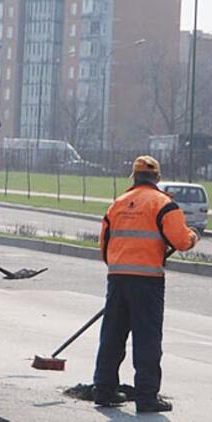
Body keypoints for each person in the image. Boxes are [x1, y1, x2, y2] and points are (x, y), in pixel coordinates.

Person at [93, 155, 199, 412]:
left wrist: (120, 266)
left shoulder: (116, 205)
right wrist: (194, 236)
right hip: (148, 282)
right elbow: (182, 241)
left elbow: (104, 247)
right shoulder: (164, 204)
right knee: (147, 339)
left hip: (117, 279)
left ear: (134, 177)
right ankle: (146, 397)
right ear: (157, 179)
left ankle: (104, 389)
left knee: (112, 336)